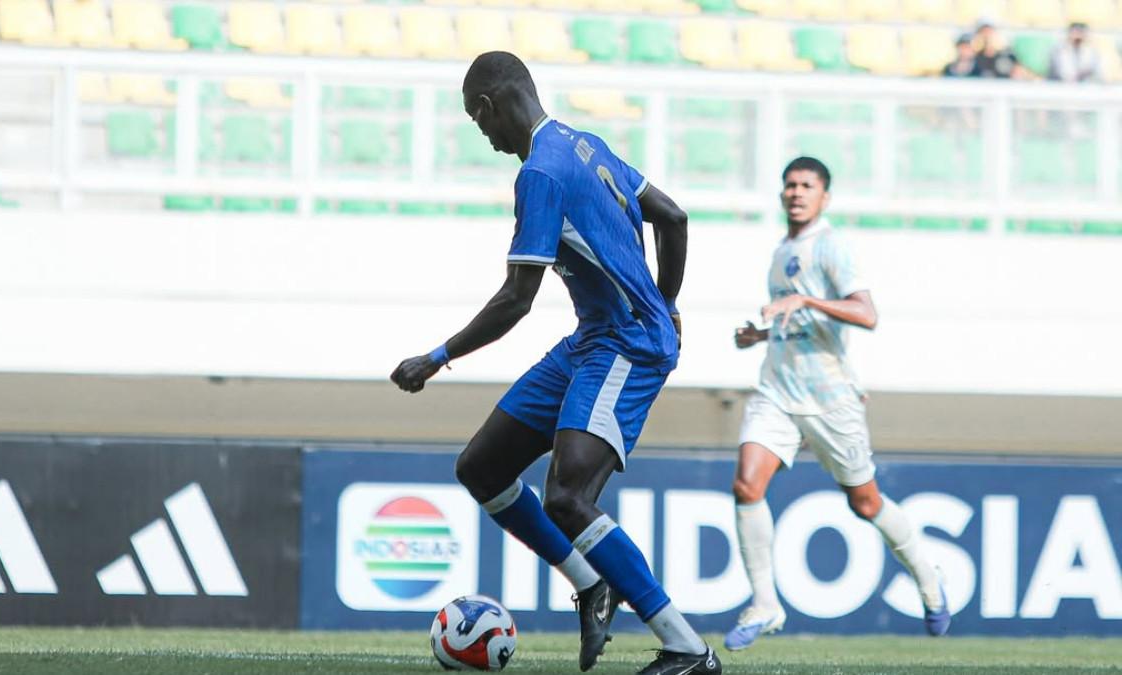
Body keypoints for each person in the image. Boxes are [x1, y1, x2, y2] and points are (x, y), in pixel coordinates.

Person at [391, 51, 720, 675]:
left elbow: (517, 299)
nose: (482, 135)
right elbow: (672, 217)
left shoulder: (539, 174)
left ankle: (688, 650)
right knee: (483, 467)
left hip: (627, 343)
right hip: (594, 337)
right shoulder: (586, 145)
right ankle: (593, 585)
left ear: (489, 106)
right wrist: (670, 300)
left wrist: (436, 357)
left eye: (476, 119)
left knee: (568, 496)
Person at [723, 157, 951, 652]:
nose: (796, 192)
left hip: (829, 397)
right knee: (746, 483)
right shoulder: (782, 249)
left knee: (865, 501)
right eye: (790, 184)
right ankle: (765, 603)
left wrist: (804, 301)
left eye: (807, 185)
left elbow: (866, 314)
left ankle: (929, 578)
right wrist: (760, 334)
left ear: (825, 197)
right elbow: (798, 322)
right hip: (778, 389)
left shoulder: (831, 246)